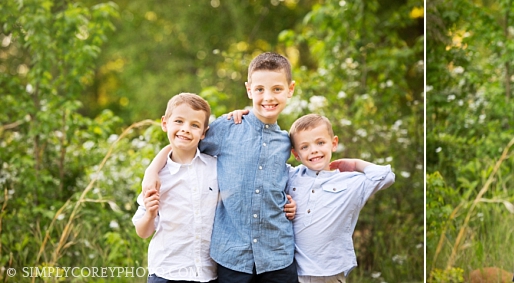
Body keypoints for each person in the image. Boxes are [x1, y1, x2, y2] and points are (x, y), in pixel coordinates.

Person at [142, 52, 300, 282]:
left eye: (277, 89)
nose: (268, 97)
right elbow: (184, 144)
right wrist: (152, 170)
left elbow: (294, 176)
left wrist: (290, 201)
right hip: (232, 255)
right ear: (249, 90)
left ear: (290, 89)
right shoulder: (228, 127)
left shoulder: (287, 142)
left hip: (277, 255)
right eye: (259, 90)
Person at [229, 113, 395, 283]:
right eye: (305, 147)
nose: (314, 150)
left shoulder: (349, 182)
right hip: (292, 270)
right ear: (296, 154)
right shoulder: (291, 176)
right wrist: (241, 118)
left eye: (320, 143)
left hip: (329, 272)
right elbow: (262, 167)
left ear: (334, 143)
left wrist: (356, 163)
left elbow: (386, 176)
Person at [132, 93, 218, 282]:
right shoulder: (157, 177)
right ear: (165, 123)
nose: (185, 129)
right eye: (179, 121)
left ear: (204, 133)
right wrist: (150, 215)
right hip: (167, 272)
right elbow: (143, 232)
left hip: (208, 273)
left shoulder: (215, 168)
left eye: (195, 125)